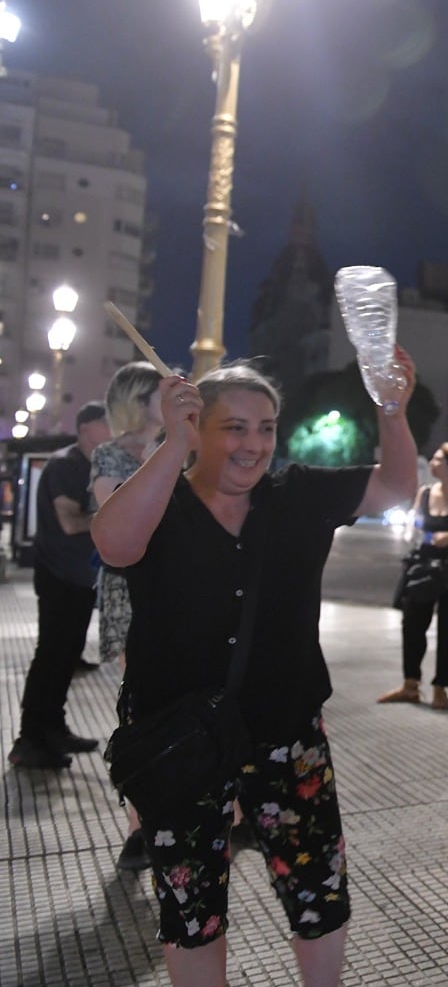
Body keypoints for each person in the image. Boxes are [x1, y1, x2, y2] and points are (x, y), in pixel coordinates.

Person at [91, 355, 417, 985]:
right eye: (233, 428)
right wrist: (171, 444)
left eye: (265, 427)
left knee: (316, 888)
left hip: (286, 730)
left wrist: (392, 409)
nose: (254, 444)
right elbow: (116, 544)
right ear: (196, 427)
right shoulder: (161, 497)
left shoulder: (296, 495)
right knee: (192, 908)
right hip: (178, 740)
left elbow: (397, 487)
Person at [88, 361, 165, 871]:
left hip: (178, 589)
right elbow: (118, 524)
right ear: (140, 401)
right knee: (141, 710)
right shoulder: (110, 455)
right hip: (133, 592)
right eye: (163, 392)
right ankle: (139, 828)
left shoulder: (180, 452)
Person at [7, 400, 111, 770]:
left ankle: (53, 727)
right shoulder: (67, 464)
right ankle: (30, 739)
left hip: (79, 576)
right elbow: (69, 521)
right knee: (52, 655)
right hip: (59, 575)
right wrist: (112, 515)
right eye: (107, 423)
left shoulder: (90, 464)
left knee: (67, 656)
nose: (114, 430)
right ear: (86, 429)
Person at [379, 443, 448, 710]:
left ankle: (441, 688)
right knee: (412, 623)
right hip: (424, 564)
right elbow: (415, 526)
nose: (432, 463)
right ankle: (410, 684)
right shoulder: (425, 493)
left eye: (438, 459)